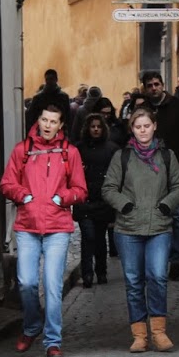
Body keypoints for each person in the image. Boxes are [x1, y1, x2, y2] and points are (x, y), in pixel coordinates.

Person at [0, 102, 87, 357]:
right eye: (44, 120)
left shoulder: (69, 153)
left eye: (53, 121)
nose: (48, 125)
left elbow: (81, 190)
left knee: (52, 285)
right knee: (26, 283)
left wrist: (63, 198)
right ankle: (32, 325)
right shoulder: (22, 150)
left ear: (61, 125)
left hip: (58, 227)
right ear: (38, 120)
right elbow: (6, 183)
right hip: (27, 226)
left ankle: (52, 340)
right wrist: (23, 195)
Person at [103, 108, 179, 353]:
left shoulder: (167, 156)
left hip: (159, 226)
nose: (142, 130)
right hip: (128, 228)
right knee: (133, 281)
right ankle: (139, 334)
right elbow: (108, 188)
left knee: (158, 276)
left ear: (154, 126)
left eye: (146, 126)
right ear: (132, 129)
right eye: (138, 126)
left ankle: (159, 331)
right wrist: (125, 205)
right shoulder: (122, 157)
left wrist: (166, 205)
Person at [138, 70, 179, 279]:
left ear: (162, 85)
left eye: (157, 84)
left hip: (176, 169)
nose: (154, 88)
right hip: (148, 170)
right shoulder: (142, 110)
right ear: (145, 88)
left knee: (177, 214)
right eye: (150, 85)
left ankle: (176, 259)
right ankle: (157, 258)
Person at [73, 113, 120, 288]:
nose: (95, 129)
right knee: (88, 236)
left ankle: (101, 271)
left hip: (103, 200)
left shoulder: (111, 149)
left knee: (100, 238)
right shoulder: (79, 149)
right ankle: (87, 273)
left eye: (98, 126)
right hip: (84, 199)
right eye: (92, 126)